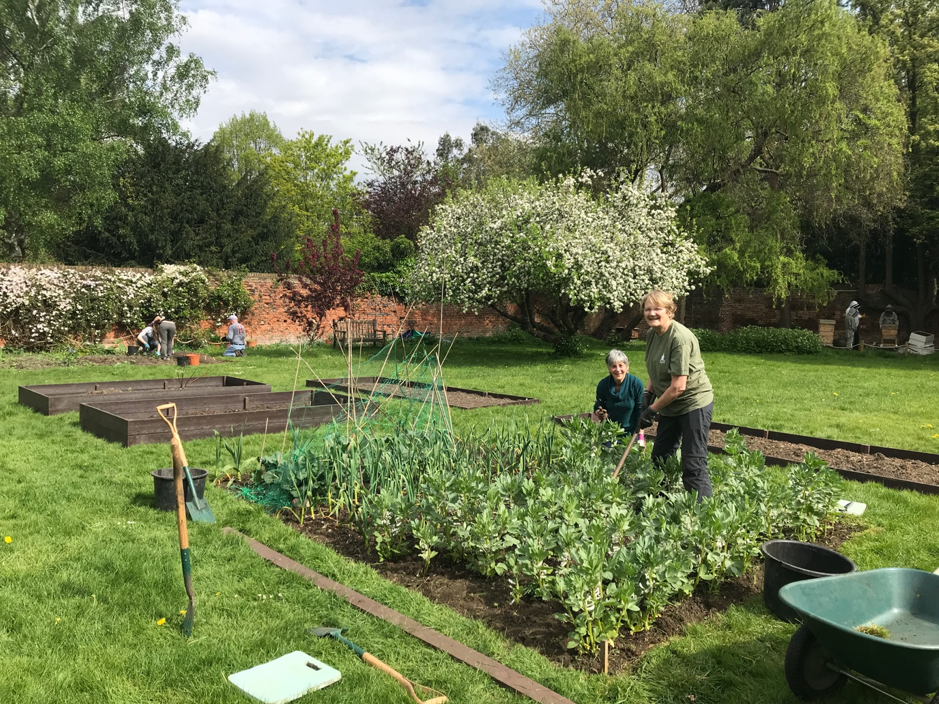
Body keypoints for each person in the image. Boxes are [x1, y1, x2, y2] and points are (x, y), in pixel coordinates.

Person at [638, 289, 714, 499]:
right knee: (660, 457)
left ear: (670, 311)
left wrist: (652, 410)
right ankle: (657, 505)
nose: (652, 313)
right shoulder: (652, 334)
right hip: (669, 404)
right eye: (647, 309)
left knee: (692, 462)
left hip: (693, 403)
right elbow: (656, 367)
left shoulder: (679, 338)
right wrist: (647, 393)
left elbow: (678, 386)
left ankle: (702, 514)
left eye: (657, 309)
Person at [593, 349, 644, 435]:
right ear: (609, 368)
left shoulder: (636, 384)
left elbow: (641, 412)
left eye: (621, 365)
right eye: (613, 366)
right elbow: (598, 406)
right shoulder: (603, 385)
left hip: (631, 432)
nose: (618, 369)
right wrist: (600, 413)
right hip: (609, 432)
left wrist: (641, 437)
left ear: (627, 367)